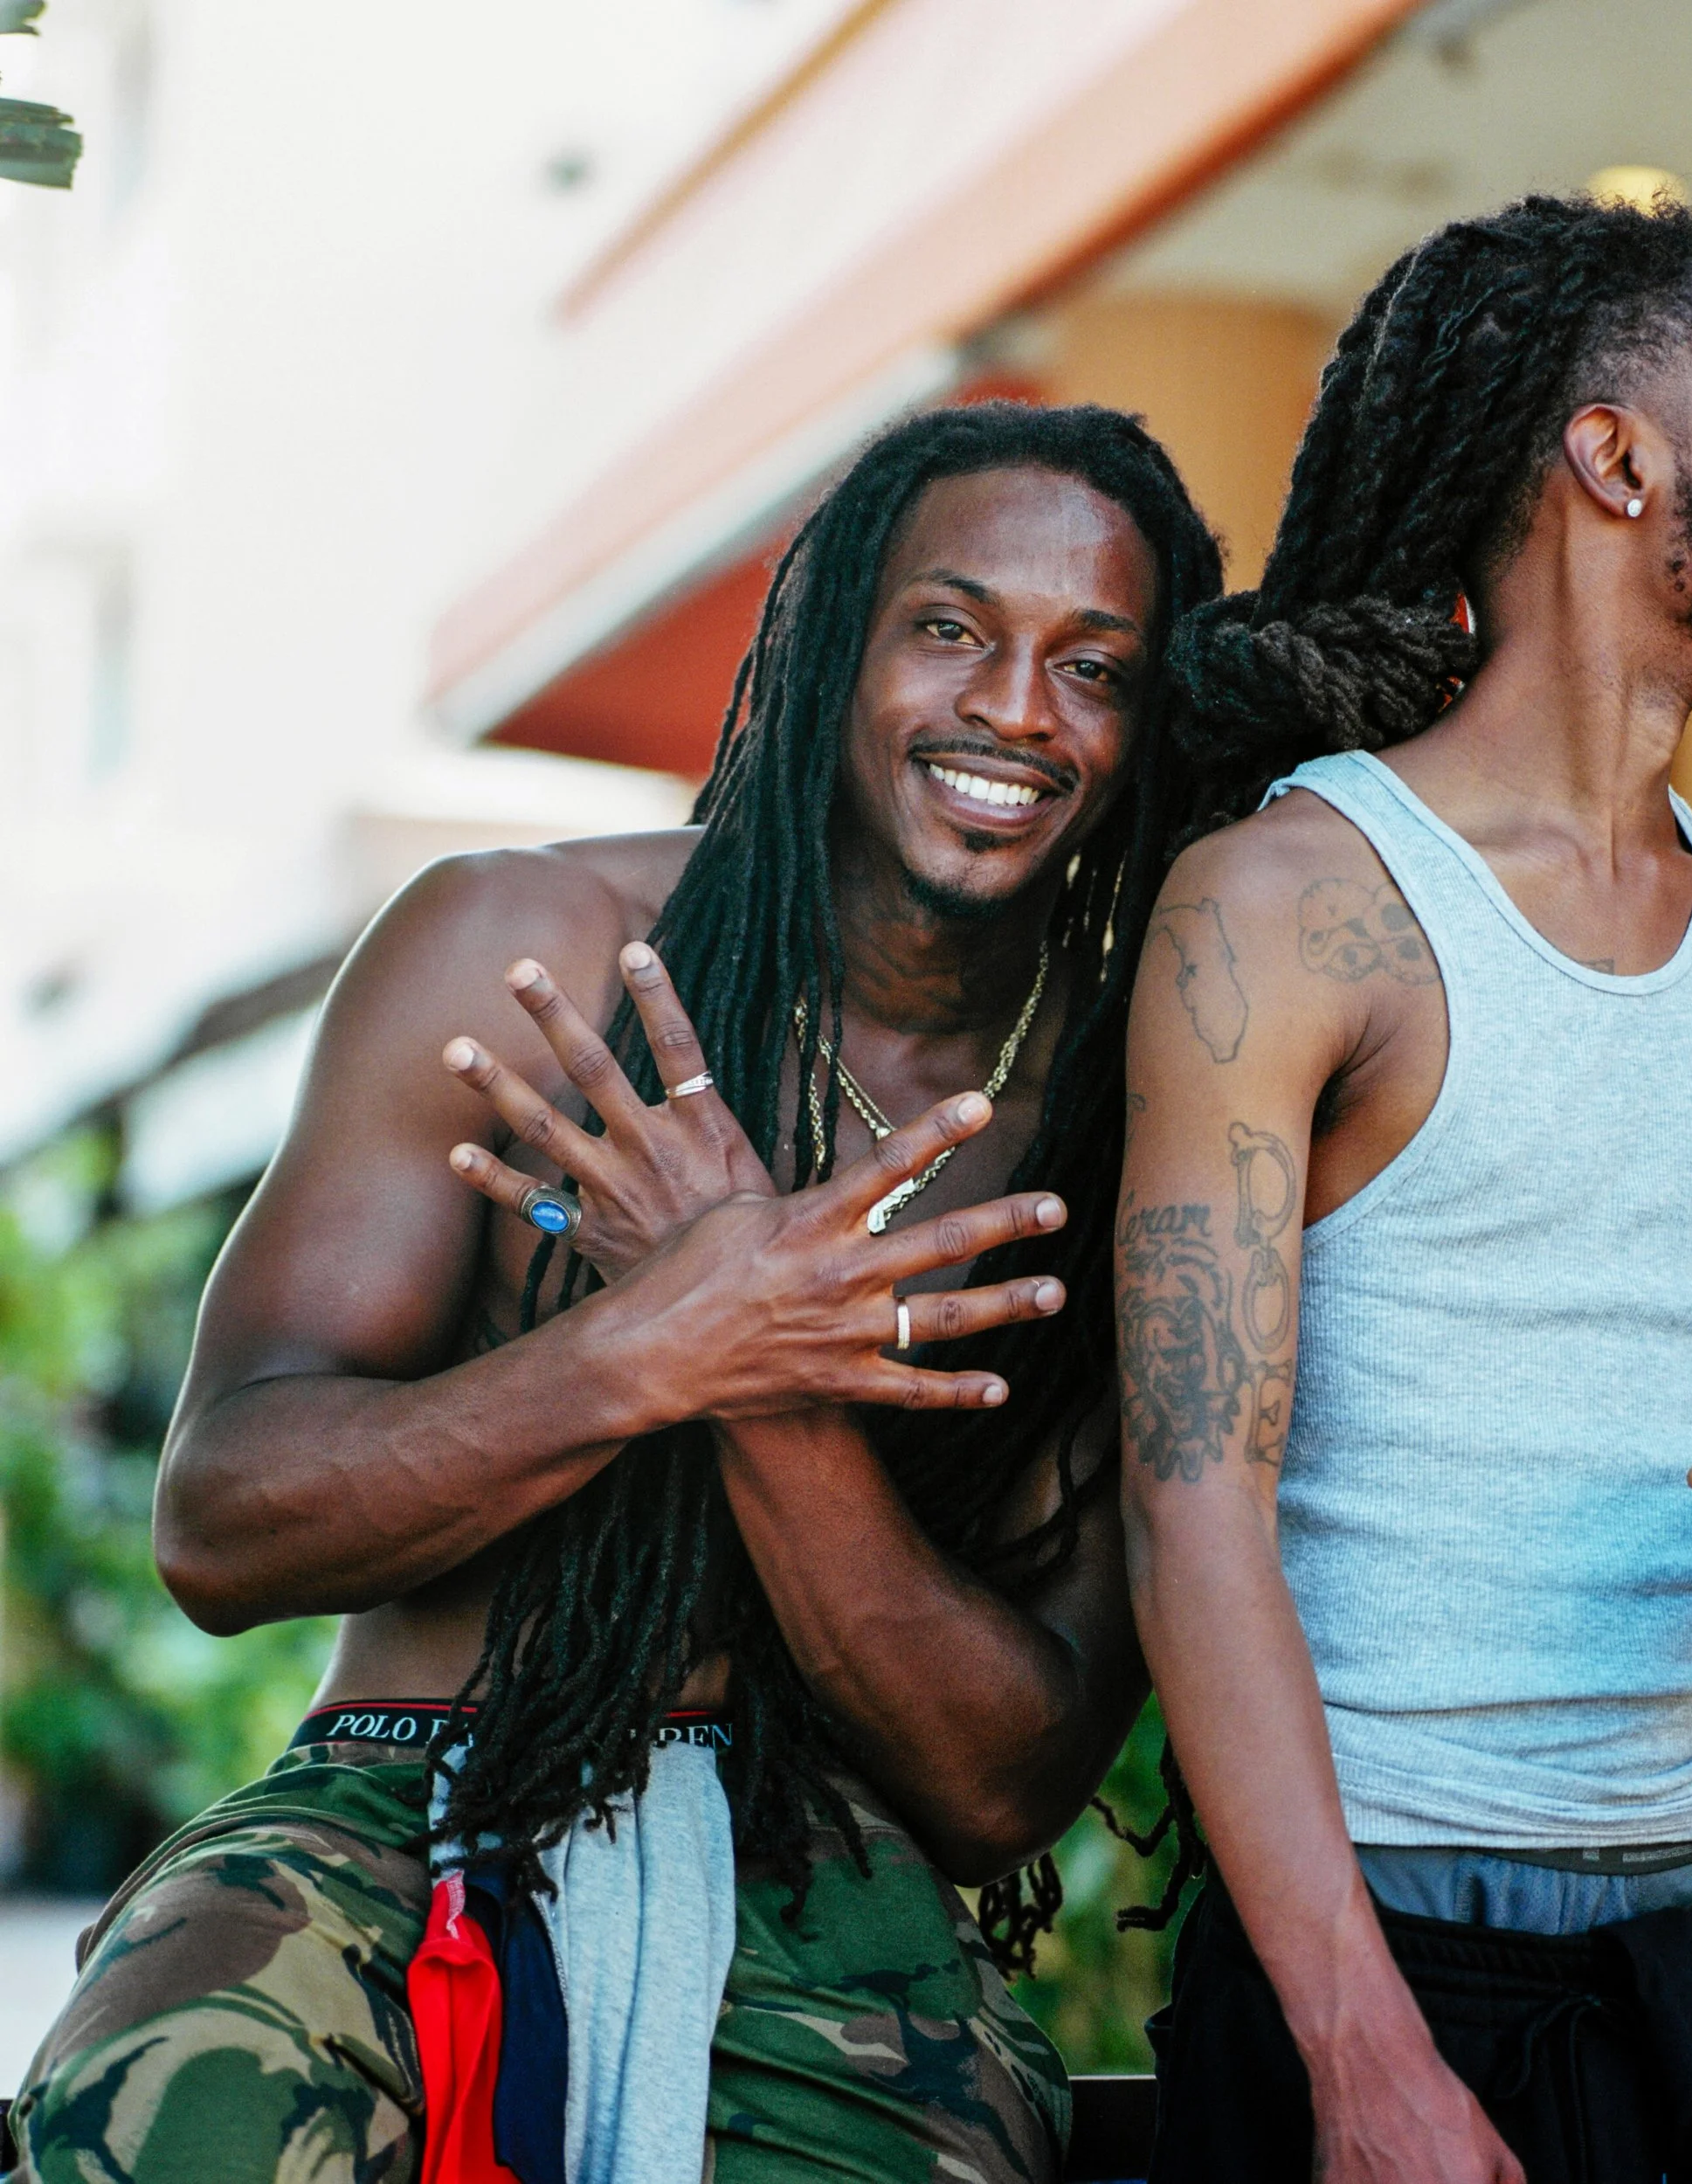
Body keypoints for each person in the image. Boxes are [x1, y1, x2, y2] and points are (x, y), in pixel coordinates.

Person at [9, 402, 1223, 2184]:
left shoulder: (1129, 1120)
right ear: (831, 648)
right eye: (950, 629)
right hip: (400, 1797)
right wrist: (631, 1347)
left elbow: (996, 1786)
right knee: (164, 2127)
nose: (1016, 709)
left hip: (834, 1885)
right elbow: (225, 1525)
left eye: (1092, 665)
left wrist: (756, 1373)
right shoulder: (525, 957)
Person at [1118, 195, 1692, 2184]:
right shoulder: (1290, 907)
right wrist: (1358, 2055)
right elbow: (1191, 1516)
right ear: (1608, 457)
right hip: (1395, 1960)